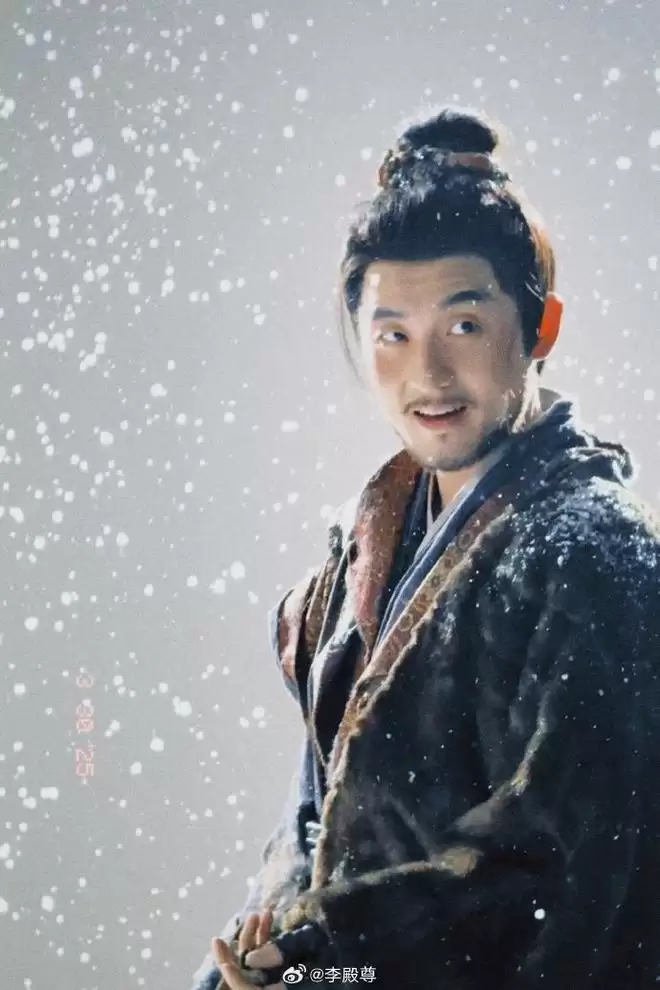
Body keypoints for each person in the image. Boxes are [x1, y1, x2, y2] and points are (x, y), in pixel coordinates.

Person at [190, 107, 660, 990]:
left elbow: (565, 868)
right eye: (393, 335)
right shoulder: (362, 548)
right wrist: (270, 941)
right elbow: (312, 820)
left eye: (465, 325)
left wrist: (331, 952)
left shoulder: (598, 553)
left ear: (542, 327)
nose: (429, 375)